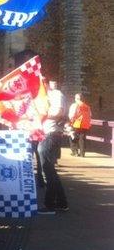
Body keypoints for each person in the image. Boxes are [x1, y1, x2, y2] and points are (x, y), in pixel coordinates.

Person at [37, 79, 68, 214]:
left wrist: (40, 115)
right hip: (46, 135)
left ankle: (50, 205)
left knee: (47, 170)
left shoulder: (56, 94)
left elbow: (59, 112)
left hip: (51, 135)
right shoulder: (43, 98)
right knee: (51, 171)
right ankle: (61, 203)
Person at [68, 93, 92, 157]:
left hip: (76, 123)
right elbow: (90, 115)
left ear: (76, 99)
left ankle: (75, 151)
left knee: (72, 136)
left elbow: (71, 115)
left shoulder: (74, 105)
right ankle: (82, 153)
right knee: (82, 139)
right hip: (85, 124)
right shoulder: (87, 106)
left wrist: (70, 122)